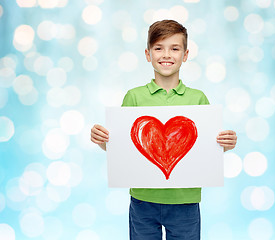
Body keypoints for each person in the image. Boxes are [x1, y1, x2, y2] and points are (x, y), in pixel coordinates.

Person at [91, 20, 237, 240]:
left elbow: (206, 149)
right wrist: (102, 140)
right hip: (143, 199)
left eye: (174, 48)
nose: (166, 55)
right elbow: (122, 147)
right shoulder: (134, 96)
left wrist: (226, 144)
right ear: (148, 54)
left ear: (185, 55)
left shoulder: (198, 98)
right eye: (159, 48)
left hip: (185, 200)